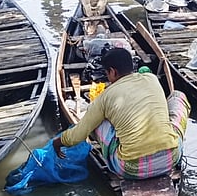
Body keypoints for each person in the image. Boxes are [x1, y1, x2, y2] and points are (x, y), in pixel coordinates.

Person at [53, 47, 190, 180]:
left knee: (95, 121)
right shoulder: (151, 78)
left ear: (112, 71)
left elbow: (78, 134)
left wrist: (58, 143)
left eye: (107, 73)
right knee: (178, 96)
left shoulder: (105, 97)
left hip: (131, 168)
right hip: (170, 158)